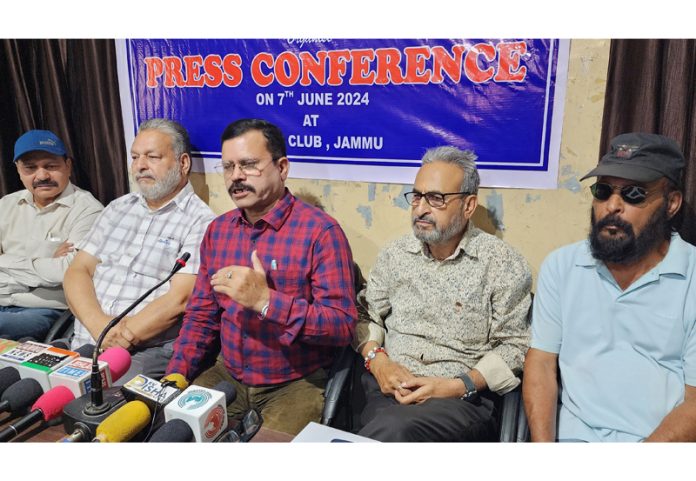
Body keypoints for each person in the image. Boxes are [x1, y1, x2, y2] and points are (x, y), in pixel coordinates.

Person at [166, 118, 357, 435]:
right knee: (169, 434)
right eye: (228, 167)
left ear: (282, 168)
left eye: (249, 165)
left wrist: (267, 301)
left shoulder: (321, 232)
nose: (236, 176)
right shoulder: (218, 231)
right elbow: (202, 314)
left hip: (294, 382)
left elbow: (341, 325)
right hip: (226, 374)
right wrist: (177, 372)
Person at [524, 132, 696, 442]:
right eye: (603, 191)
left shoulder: (692, 277)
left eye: (633, 194)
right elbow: (541, 364)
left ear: (671, 203)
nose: (612, 206)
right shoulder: (562, 267)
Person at [353, 145, 532, 442]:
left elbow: (515, 347)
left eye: (436, 198)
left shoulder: (502, 264)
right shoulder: (396, 255)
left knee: (394, 431)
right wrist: (378, 361)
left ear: (469, 205)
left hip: (458, 401)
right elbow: (363, 313)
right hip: (386, 390)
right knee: (386, 423)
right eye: (417, 196)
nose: (421, 208)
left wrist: (456, 385)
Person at [64, 118, 215, 381]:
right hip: (84, 339)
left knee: (98, 407)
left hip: (140, 352)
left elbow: (180, 298)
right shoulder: (117, 207)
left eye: (152, 157)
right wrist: (99, 325)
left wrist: (121, 337)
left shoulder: (202, 221)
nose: (140, 166)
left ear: (183, 163)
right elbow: (78, 270)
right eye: (135, 157)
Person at [0, 130, 103, 340]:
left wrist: (2, 260)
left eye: (51, 166)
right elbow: (54, 272)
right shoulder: (6, 204)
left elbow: (65, 272)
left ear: (68, 165)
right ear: (18, 170)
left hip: (43, 311)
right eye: (30, 168)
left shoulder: (88, 210)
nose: (42, 176)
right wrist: (45, 264)